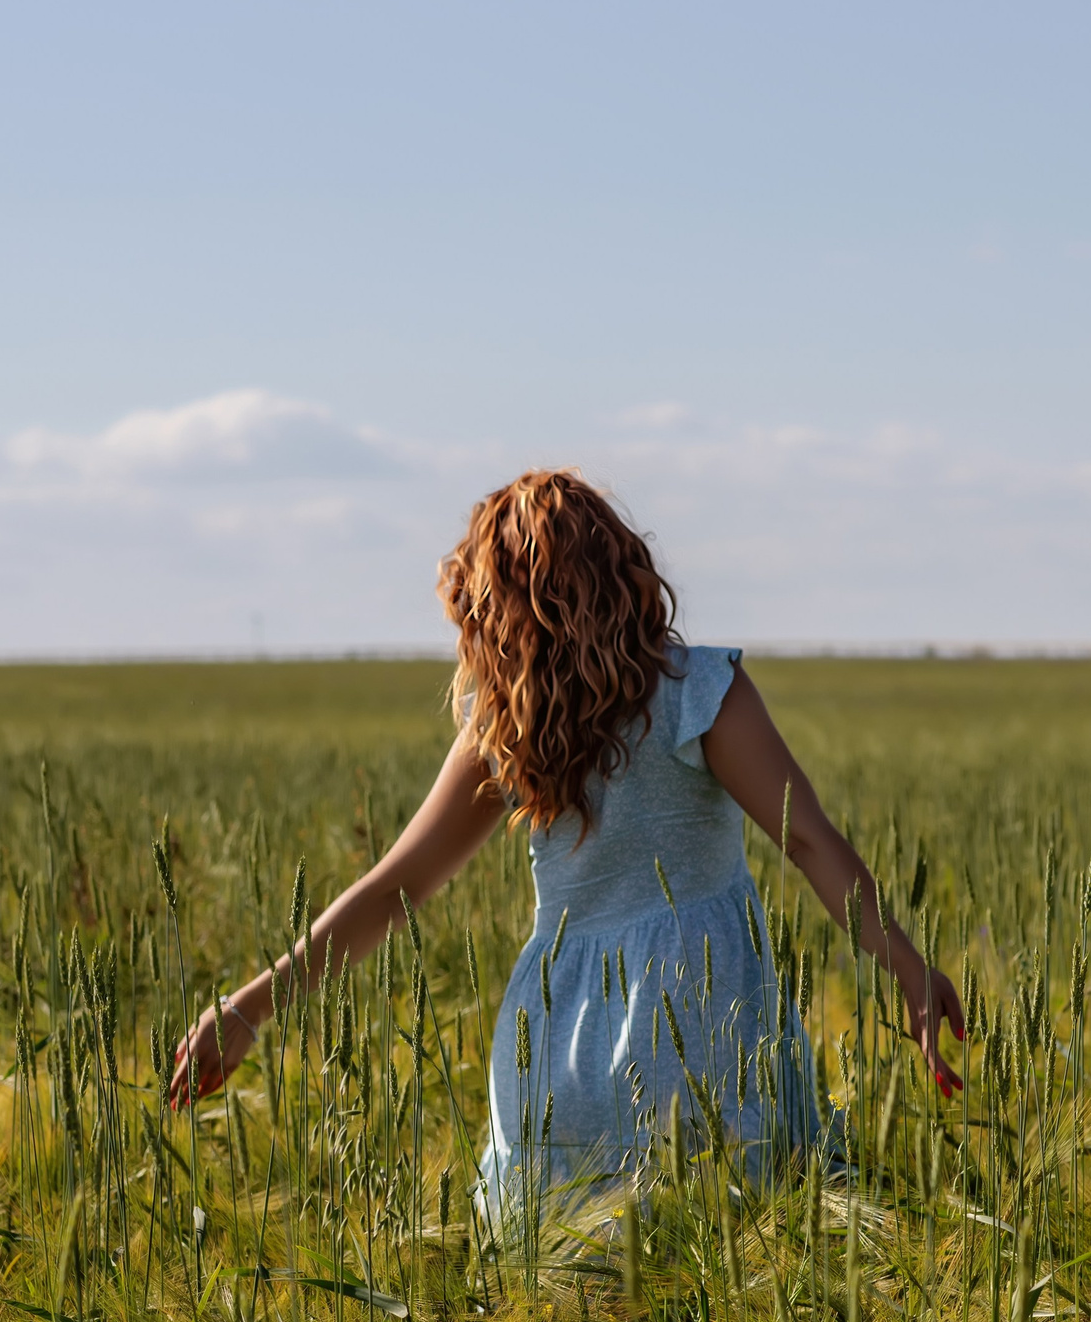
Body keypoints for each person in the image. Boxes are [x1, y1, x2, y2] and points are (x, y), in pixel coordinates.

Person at [168, 470, 962, 1217]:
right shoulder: (700, 692)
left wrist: (248, 1007)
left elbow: (392, 890)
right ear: (622, 569)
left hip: (556, 1045)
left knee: (568, 1302)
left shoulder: (506, 729)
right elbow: (810, 842)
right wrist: (908, 967)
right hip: (706, 1025)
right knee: (736, 1279)